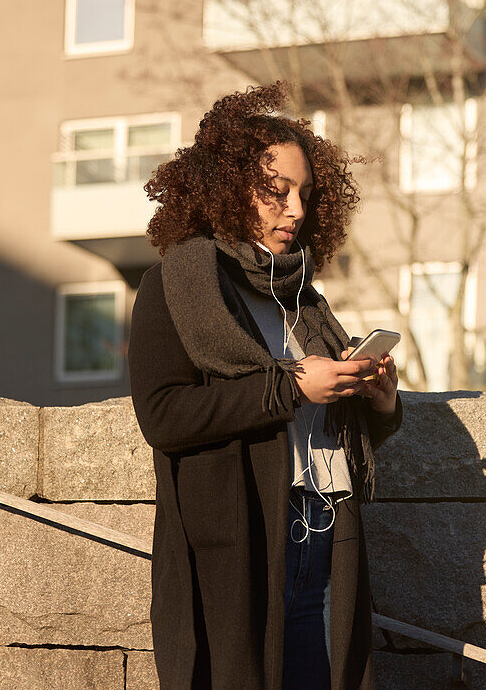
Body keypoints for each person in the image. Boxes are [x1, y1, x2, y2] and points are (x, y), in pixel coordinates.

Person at [128, 82, 403, 690]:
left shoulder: (303, 296)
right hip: (243, 546)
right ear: (227, 191)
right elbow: (165, 415)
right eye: (276, 193)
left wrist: (377, 402)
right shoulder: (177, 285)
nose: (296, 211)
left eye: (305, 194)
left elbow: (326, 423)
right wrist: (291, 387)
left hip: (328, 534)